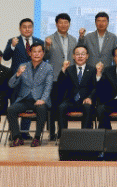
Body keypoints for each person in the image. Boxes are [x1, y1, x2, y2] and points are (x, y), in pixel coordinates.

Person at [2, 18, 45, 139]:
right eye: (24, 27)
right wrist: (12, 46)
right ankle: (14, 133)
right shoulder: (13, 41)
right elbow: (5, 57)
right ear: (20, 28)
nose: (27, 29)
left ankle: (25, 132)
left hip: (33, 81)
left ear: (33, 28)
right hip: (17, 80)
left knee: (29, 105)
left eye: (29, 27)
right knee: (14, 106)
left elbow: (44, 59)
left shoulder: (39, 42)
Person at [7, 42, 53, 147]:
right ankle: (17, 137)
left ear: (43, 53)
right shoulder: (23, 66)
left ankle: (37, 137)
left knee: (42, 109)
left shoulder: (48, 67)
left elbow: (48, 86)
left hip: (39, 100)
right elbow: (11, 84)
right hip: (24, 100)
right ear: (30, 53)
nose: (36, 54)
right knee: (11, 110)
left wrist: (43, 99)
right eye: (34, 52)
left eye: (39, 52)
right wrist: (18, 74)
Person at [44, 12, 78, 140]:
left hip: (69, 78)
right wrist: (47, 46)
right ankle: (52, 133)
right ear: (56, 24)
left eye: (66, 22)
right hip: (55, 77)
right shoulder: (49, 39)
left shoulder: (73, 39)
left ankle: (63, 132)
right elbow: (45, 57)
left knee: (64, 106)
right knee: (54, 106)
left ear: (69, 24)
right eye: (61, 22)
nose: (63, 25)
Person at [57, 45, 96, 134]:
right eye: (77, 54)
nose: (80, 56)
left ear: (87, 56)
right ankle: (63, 135)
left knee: (88, 107)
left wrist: (90, 97)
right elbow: (61, 85)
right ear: (73, 56)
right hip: (71, 100)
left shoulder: (92, 70)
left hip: (85, 100)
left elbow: (95, 87)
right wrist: (63, 70)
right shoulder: (69, 69)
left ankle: (85, 135)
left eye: (83, 54)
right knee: (61, 107)